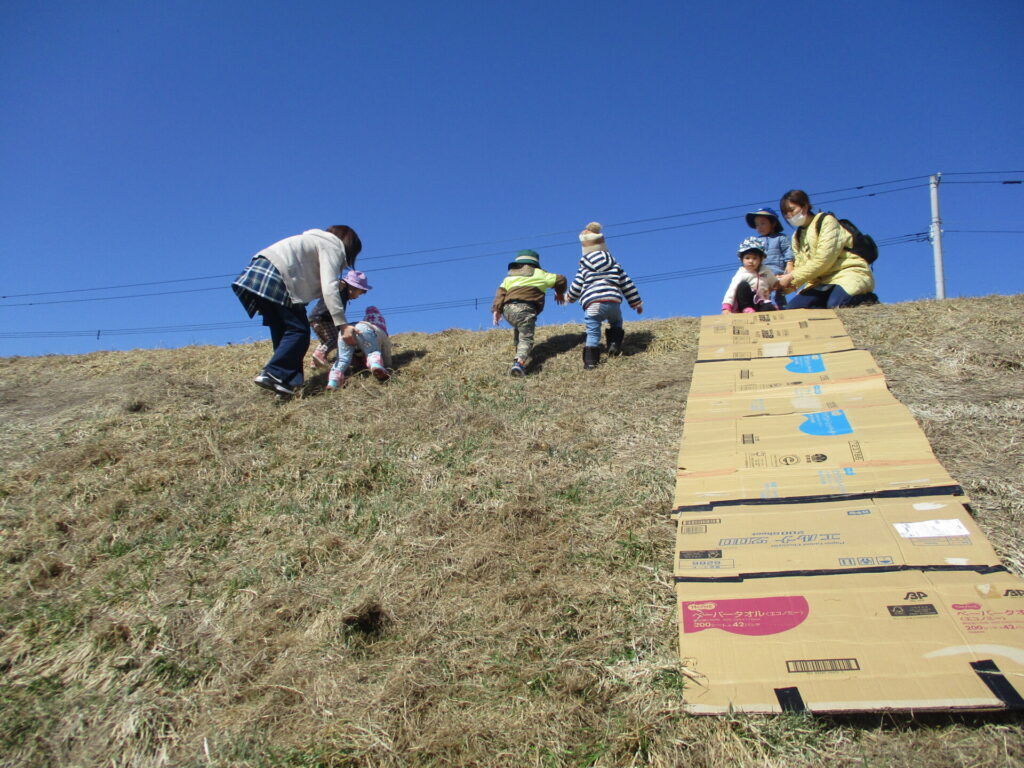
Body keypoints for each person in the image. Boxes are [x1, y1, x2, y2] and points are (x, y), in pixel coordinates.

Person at [231, 225, 363, 397]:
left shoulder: (313, 241)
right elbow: (330, 287)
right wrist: (343, 325)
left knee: (285, 330)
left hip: (259, 271)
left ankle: (286, 382)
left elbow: (304, 275)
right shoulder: (333, 247)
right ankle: (274, 372)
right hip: (277, 275)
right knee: (298, 330)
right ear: (350, 247)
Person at [775, 190, 875, 309]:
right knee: (792, 310)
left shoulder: (826, 221)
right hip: (820, 282)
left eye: (792, 210)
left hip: (848, 273)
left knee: (836, 306)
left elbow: (824, 260)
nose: (789, 216)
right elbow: (801, 269)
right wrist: (779, 285)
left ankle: (867, 300)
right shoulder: (796, 236)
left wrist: (791, 277)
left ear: (805, 206)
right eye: (785, 213)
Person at [565, 222, 643, 370]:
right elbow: (627, 284)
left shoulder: (584, 268)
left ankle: (590, 362)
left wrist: (568, 297)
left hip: (593, 305)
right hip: (613, 302)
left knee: (593, 332)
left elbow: (576, 286)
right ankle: (614, 343)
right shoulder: (615, 265)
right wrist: (636, 303)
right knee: (616, 322)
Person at [491, 250, 566, 376]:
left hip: (508, 310)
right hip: (525, 309)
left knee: (519, 330)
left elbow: (500, 293)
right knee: (526, 338)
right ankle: (519, 363)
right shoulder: (540, 274)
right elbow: (561, 280)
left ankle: (518, 352)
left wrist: (496, 310)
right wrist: (559, 293)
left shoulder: (509, 277)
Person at [327, 305, 392, 390]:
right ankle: (375, 365)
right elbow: (386, 352)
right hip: (364, 330)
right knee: (372, 352)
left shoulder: (362, 322)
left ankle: (333, 381)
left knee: (342, 359)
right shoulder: (382, 333)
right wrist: (388, 365)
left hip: (345, 330)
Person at [744, 206, 793, 307]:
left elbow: (788, 251)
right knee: (761, 295)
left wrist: (789, 263)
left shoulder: (781, 238)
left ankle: (781, 310)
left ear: (773, 223)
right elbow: (752, 257)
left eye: (763, 223)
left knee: (778, 295)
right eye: (757, 225)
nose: (759, 227)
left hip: (777, 273)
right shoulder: (756, 242)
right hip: (761, 274)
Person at [721, 238, 779, 313]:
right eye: (747, 258)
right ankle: (746, 308)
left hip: (760, 303)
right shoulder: (741, 273)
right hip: (746, 303)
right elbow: (732, 290)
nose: (751, 261)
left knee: (768, 307)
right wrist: (726, 307)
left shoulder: (765, 271)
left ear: (761, 259)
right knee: (743, 285)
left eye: (755, 258)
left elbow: (774, 283)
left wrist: (780, 283)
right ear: (742, 259)